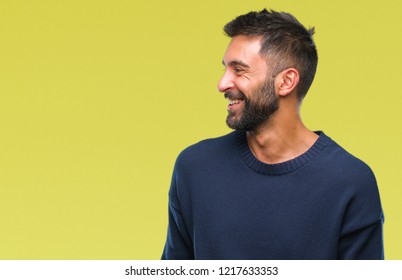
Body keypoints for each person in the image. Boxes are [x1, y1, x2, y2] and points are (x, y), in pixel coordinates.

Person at [161, 9, 384, 260]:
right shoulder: (194, 168)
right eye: (225, 69)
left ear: (286, 81)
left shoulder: (350, 182)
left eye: (239, 70)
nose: (222, 84)